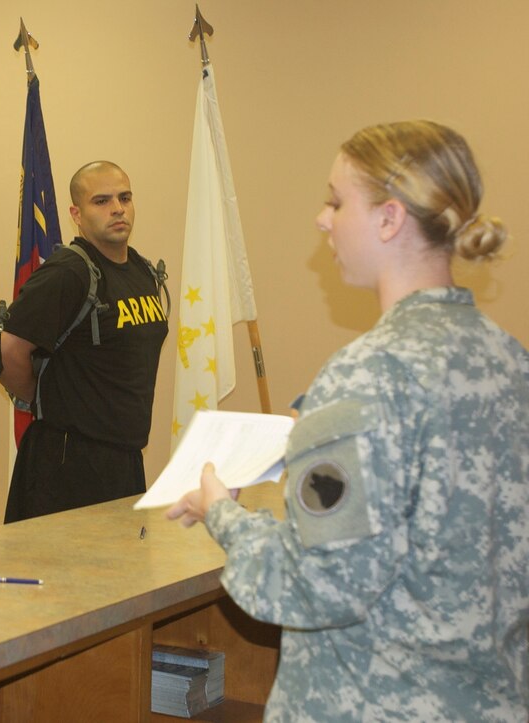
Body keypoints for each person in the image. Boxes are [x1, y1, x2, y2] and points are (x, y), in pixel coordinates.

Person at [167, 121, 529, 721]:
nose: (322, 218)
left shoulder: (366, 375)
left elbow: (316, 586)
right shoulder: (508, 361)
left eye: (336, 201)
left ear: (389, 219)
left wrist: (223, 515)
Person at [0, 161, 169, 522]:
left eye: (124, 197)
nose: (117, 208)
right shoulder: (67, 273)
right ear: (76, 213)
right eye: (101, 201)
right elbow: (9, 352)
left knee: (125, 575)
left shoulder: (141, 270)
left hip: (124, 459)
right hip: (66, 462)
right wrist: (47, 397)